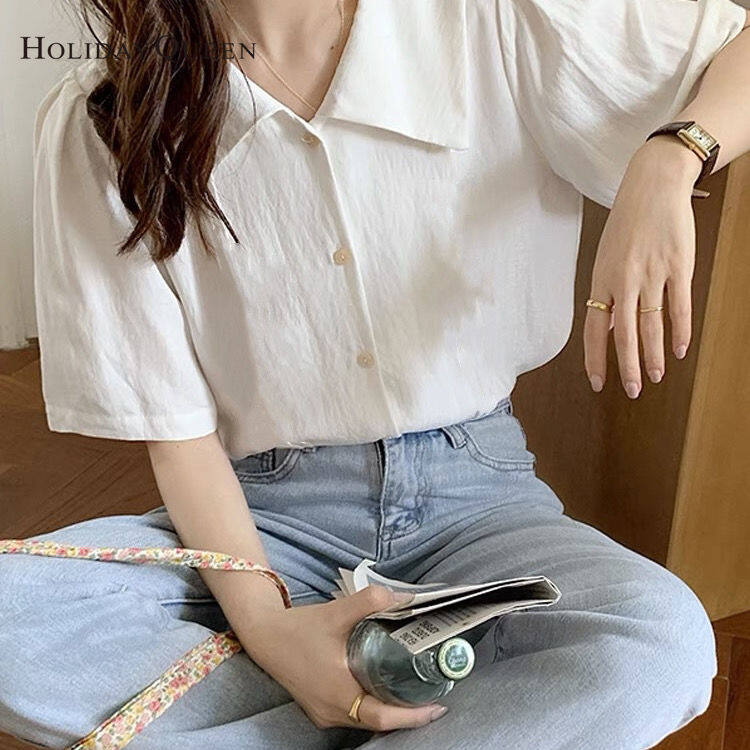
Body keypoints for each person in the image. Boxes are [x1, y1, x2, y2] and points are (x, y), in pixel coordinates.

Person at [1, 0, 749, 748]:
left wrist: (669, 158)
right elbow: (179, 438)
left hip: (481, 509)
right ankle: (427, 692)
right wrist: (269, 632)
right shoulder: (109, 114)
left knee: (657, 641)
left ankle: (360, 691)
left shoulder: (493, 15)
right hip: (264, 526)